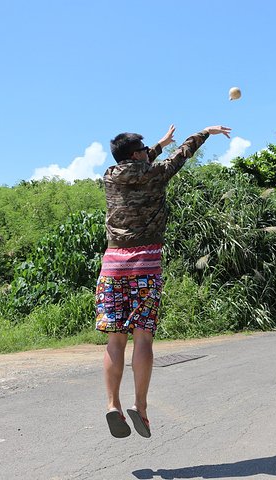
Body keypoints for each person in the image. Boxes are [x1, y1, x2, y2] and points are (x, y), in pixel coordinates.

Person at [95, 123, 231, 438]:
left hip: (112, 267)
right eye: (144, 151)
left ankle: (112, 404)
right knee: (142, 338)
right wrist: (204, 133)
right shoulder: (155, 175)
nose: (150, 155)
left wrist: (156, 144)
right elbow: (180, 157)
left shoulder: (109, 176)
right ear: (136, 154)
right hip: (145, 265)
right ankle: (140, 407)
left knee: (115, 340)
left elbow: (138, 164)